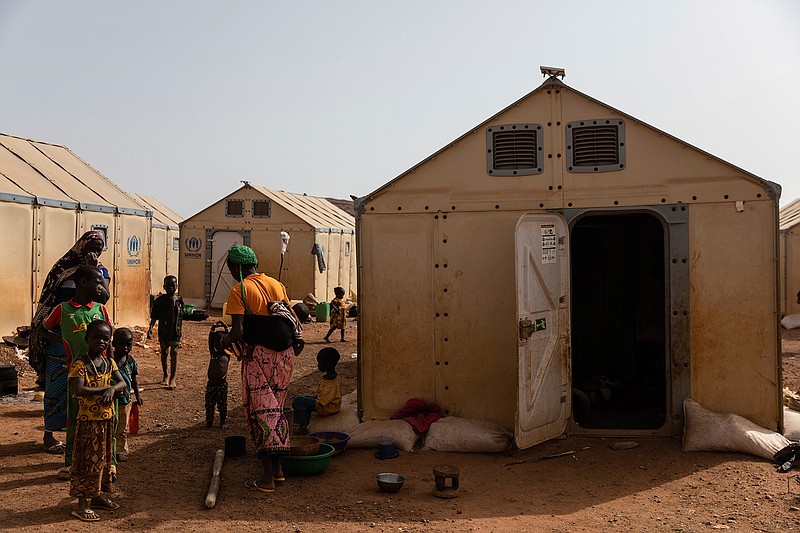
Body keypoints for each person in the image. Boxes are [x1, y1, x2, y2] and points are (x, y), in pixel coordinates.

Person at [221, 245, 304, 493]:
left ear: (236, 268)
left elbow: (239, 332)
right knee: (275, 409)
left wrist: (224, 341)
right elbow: (288, 315)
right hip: (285, 356)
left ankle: (267, 479)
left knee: (261, 414)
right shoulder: (276, 284)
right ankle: (278, 472)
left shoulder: (240, 290)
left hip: (260, 357)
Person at [28, 231, 110, 453]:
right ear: (81, 246)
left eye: (99, 247)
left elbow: (104, 297)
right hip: (59, 337)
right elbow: (49, 298)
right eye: (91, 246)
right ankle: (50, 435)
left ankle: (79, 435)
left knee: (85, 387)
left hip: (87, 337)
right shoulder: (61, 269)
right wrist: (55, 335)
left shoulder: (101, 272)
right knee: (57, 387)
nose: (95, 251)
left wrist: (98, 274)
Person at [38, 265, 113, 480]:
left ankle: (108, 465)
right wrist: (61, 340)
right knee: (74, 422)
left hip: (101, 375)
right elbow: (43, 329)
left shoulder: (100, 309)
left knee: (105, 420)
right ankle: (70, 464)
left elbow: (111, 339)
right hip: (76, 375)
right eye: (97, 283)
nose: (101, 287)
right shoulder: (63, 310)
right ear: (82, 283)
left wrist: (114, 368)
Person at [68, 320, 126, 522]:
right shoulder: (80, 364)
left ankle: (97, 496)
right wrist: (106, 389)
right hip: (88, 422)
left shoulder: (109, 363)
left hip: (106, 421)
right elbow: (79, 389)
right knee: (85, 461)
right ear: (87, 339)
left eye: (105, 338)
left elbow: (122, 382)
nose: (101, 341)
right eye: (96, 337)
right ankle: (82, 503)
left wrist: (113, 388)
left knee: (103, 458)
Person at [291, 347, 342, 435]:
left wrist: (314, 401)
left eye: (320, 363)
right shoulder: (333, 376)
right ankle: (305, 424)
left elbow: (323, 400)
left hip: (328, 407)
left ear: (328, 364)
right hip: (332, 404)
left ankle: (303, 427)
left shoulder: (329, 380)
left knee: (298, 401)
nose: (318, 365)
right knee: (306, 399)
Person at [147, 275, 183, 389]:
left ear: (176, 286)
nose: (171, 288)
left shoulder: (179, 300)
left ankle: (173, 378)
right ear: (164, 287)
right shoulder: (160, 301)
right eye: (168, 286)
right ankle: (165, 375)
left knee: (175, 352)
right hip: (164, 331)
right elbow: (154, 316)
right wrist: (150, 328)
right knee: (164, 352)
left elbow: (182, 317)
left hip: (176, 331)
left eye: (173, 286)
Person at [112, 328, 141, 461]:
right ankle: (109, 450)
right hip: (111, 399)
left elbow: (134, 379)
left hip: (125, 400)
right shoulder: (109, 360)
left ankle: (120, 450)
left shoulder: (131, 361)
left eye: (128, 344)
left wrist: (138, 396)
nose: (125, 348)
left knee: (122, 428)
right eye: (121, 344)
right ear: (114, 344)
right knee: (111, 426)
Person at [206, 322, 230, 429]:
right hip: (211, 384)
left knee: (222, 404)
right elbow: (210, 341)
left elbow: (230, 339)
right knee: (209, 404)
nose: (219, 345)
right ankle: (209, 421)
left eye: (222, 343)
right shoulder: (213, 353)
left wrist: (226, 328)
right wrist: (213, 328)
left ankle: (222, 421)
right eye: (217, 342)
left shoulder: (226, 355)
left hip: (221, 384)